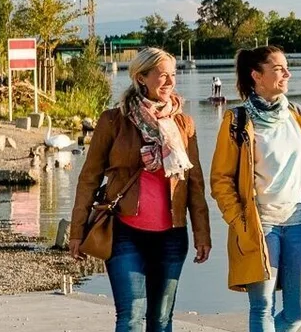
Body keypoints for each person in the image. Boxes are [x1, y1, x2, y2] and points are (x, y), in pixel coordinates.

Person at [68, 47, 212, 332]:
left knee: (161, 321)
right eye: (162, 75)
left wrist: (202, 234)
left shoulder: (183, 124)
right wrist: (76, 231)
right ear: (141, 77)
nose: (170, 81)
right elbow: (89, 178)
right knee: (130, 317)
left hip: (172, 235)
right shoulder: (113, 120)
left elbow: (194, 183)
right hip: (124, 232)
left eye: (173, 75)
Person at [211, 46, 301, 332]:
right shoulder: (237, 121)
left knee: (298, 310)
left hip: (299, 224)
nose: (287, 74)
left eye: (286, 68)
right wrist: (241, 222)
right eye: (279, 69)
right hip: (261, 226)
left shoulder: (299, 116)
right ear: (257, 75)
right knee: (263, 308)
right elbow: (220, 180)